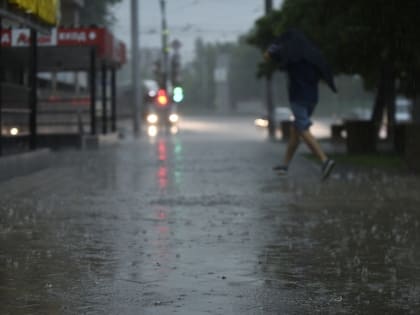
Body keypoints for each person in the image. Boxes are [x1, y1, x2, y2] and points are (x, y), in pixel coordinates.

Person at [263, 29, 336, 180]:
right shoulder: (312, 53)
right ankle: (284, 166)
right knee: (296, 131)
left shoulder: (289, 52)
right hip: (312, 98)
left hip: (297, 97)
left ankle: (324, 160)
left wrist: (276, 44)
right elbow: (324, 72)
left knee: (302, 128)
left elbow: (267, 56)